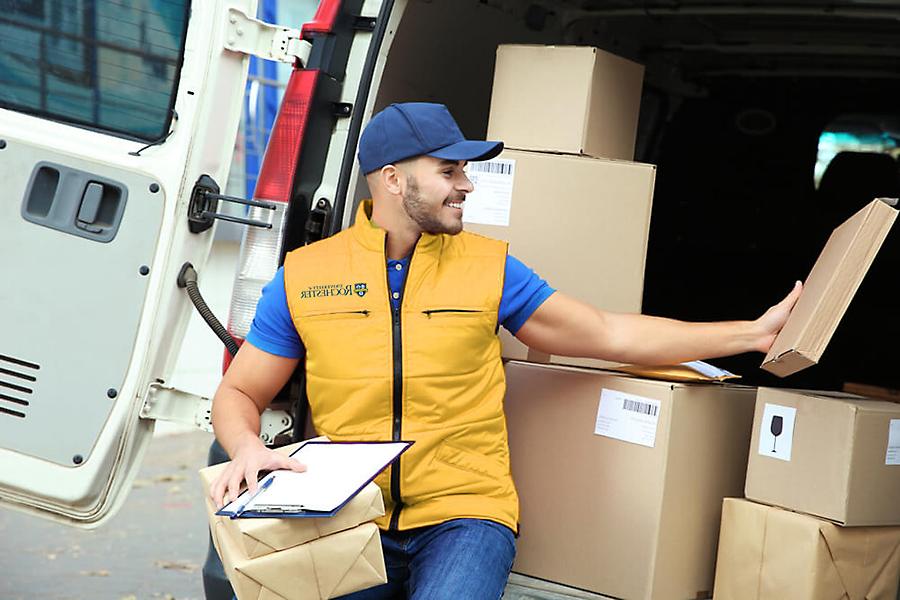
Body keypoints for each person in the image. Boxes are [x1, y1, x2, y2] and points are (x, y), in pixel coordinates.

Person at [209, 102, 802, 599]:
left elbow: (607, 334)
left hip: (464, 513)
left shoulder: (489, 269)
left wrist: (750, 334)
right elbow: (240, 390)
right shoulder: (305, 276)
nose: (466, 185)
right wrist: (245, 447)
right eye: (449, 171)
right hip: (344, 513)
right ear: (393, 179)